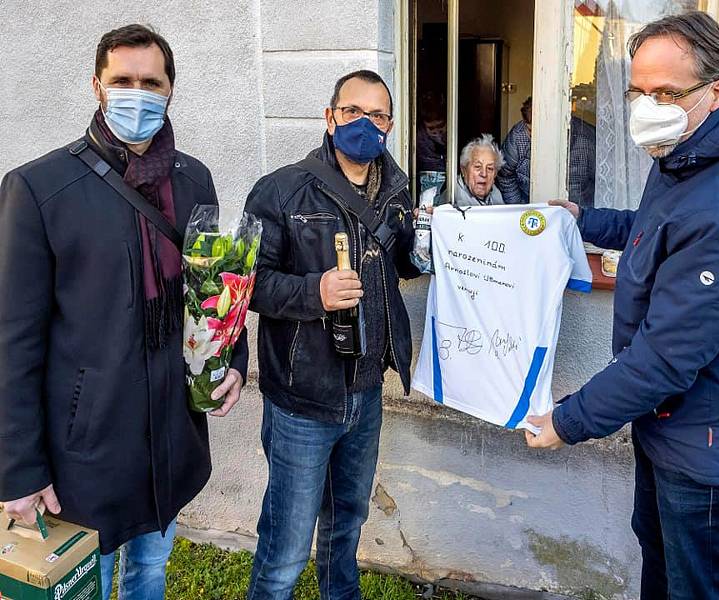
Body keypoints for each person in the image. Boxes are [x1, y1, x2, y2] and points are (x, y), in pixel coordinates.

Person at [528, 12, 719, 600]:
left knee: (695, 587)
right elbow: (656, 229)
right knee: (662, 561)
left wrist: (568, 422)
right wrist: (586, 220)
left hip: (710, 448)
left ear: (717, 92)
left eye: (667, 93)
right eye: (638, 92)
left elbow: (665, 359)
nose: (647, 106)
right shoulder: (691, 154)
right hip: (676, 428)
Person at [0, 24, 247, 600]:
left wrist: (230, 357)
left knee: (150, 572)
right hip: (85, 445)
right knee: (86, 583)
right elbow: (13, 342)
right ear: (97, 86)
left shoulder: (193, 179)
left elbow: (212, 291)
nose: (137, 93)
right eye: (123, 81)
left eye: (150, 82)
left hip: (170, 436)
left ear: (169, 92)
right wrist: (19, 469)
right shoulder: (38, 189)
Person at [244, 69, 419, 600]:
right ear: (330, 117)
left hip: (366, 393)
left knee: (346, 529)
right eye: (353, 112)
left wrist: (429, 242)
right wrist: (312, 293)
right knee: (287, 547)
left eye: (379, 114)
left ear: (390, 125)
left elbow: (400, 266)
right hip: (303, 397)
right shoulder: (279, 189)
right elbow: (245, 286)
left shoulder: (398, 187)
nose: (366, 123)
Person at [432, 133, 506, 207]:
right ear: (464, 170)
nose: (484, 174)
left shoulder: (496, 193)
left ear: (495, 174)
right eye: (477, 166)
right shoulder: (452, 196)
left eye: (490, 168)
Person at [496, 96, 532, 204]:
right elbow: (505, 175)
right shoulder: (517, 136)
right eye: (530, 130)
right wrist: (516, 208)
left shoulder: (580, 137)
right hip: (525, 198)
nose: (533, 135)